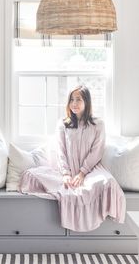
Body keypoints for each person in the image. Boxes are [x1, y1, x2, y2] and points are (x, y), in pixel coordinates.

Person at [19, 85, 126, 232]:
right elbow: (61, 151)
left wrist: (82, 172)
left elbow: (97, 151)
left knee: (108, 182)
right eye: (71, 100)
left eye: (78, 99)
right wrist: (66, 174)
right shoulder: (63, 124)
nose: (74, 103)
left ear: (86, 102)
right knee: (32, 174)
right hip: (67, 169)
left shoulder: (98, 124)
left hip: (91, 170)